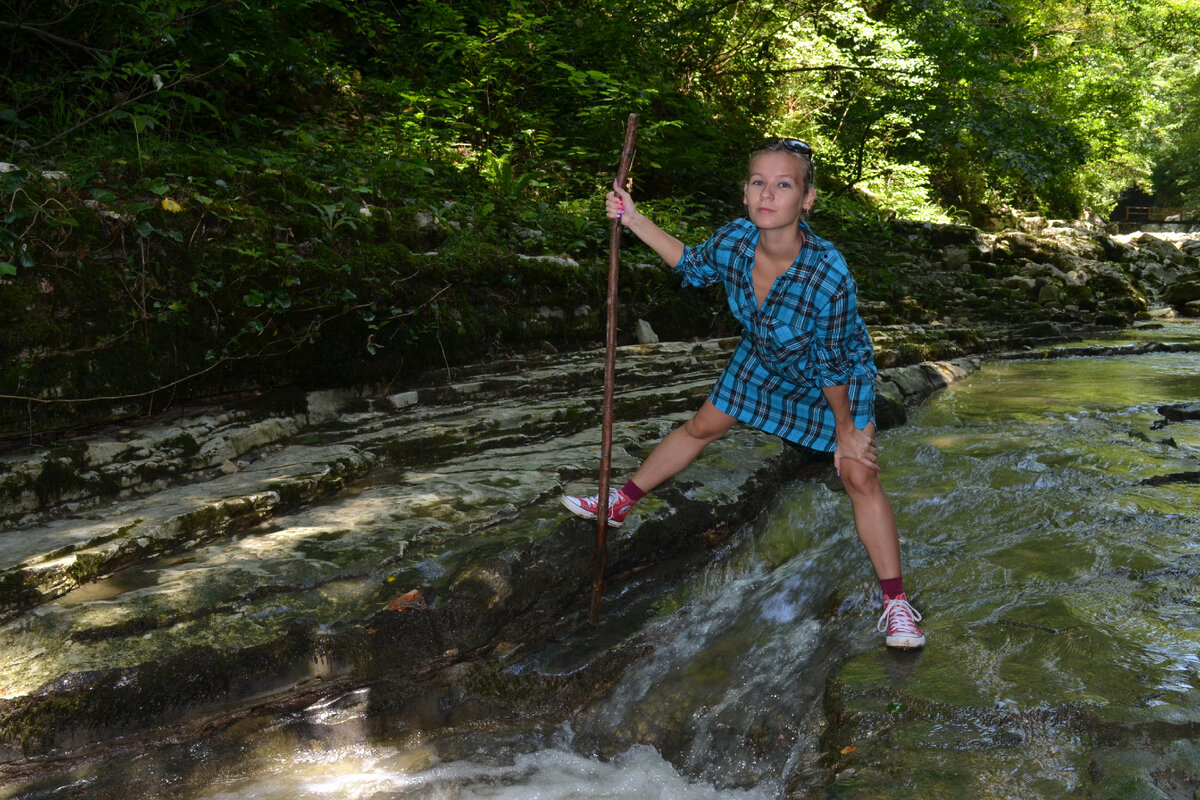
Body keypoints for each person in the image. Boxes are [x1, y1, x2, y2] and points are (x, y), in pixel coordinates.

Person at [561, 137, 924, 649]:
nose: (768, 195)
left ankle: (896, 604)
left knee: (859, 473)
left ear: (807, 199)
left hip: (836, 373)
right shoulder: (734, 241)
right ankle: (618, 502)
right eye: (758, 182)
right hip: (764, 356)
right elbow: (691, 265)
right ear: (745, 192)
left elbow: (832, 362)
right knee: (703, 426)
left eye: (784, 184)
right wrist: (634, 219)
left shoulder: (829, 273)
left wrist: (846, 432)